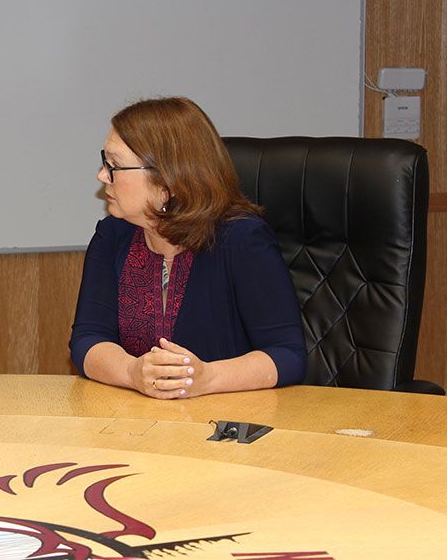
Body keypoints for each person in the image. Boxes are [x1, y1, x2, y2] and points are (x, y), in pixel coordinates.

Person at [69, 97, 306, 398]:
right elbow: (87, 340)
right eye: (105, 162)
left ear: (167, 183)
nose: (102, 176)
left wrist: (207, 378)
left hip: (227, 428)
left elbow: (288, 355)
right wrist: (132, 372)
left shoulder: (242, 239)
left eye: (114, 165)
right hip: (137, 426)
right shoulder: (113, 235)